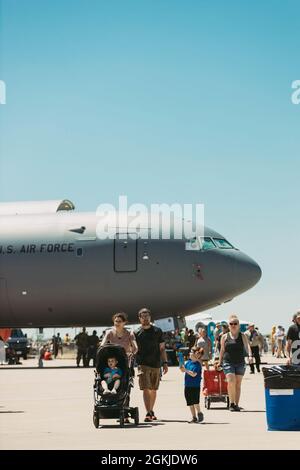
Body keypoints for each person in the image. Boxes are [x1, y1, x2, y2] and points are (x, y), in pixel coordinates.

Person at [134, 307, 168, 422]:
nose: (145, 318)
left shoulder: (157, 331)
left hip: (156, 363)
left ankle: (151, 410)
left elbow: (162, 348)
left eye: (147, 316)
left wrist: (165, 363)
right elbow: (133, 349)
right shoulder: (136, 333)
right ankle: (148, 412)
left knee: (154, 389)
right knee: (146, 388)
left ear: (150, 317)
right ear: (139, 318)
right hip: (142, 363)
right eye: (143, 316)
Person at [218, 314, 252, 411]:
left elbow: (247, 346)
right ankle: (231, 403)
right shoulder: (224, 337)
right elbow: (222, 350)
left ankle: (236, 404)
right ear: (228, 325)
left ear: (238, 325)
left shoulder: (243, 336)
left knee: (238, 384)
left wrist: (250, 356)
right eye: (231, 323)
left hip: (240, 362)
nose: (233, 325)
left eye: (235, 323)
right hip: (228, 362)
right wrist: (219, 362)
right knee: (231, 381)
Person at [180, 347, 204, 423]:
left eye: (191, 352)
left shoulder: (197, 364)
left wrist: (186, 370)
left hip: (195, 386)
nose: (189, 353)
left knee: (195, 401)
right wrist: (181, 367)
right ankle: (194, 417)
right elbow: (183, 371)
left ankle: (199, 412)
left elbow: (194, 374)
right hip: (187, 385)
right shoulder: (188, 363)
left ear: (196, 354)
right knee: (190, 402)